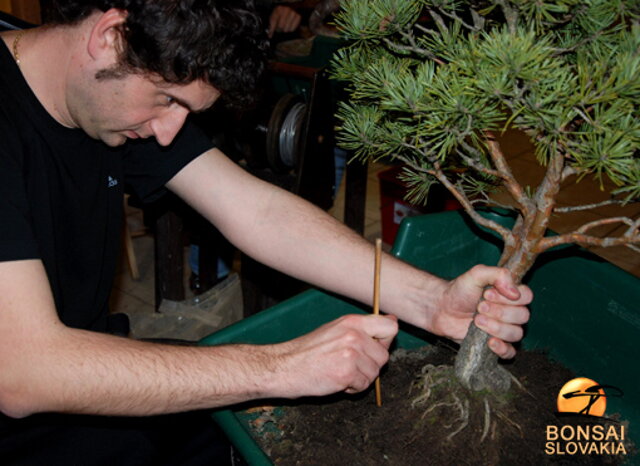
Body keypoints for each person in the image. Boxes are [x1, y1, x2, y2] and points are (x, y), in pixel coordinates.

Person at [0, 0, 532, 463]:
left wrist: (431, 301)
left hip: (79, 379)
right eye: (169, 100)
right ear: (110, 34)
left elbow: (257, 212)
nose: (167, 134)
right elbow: (24, 372)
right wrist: (283, 366)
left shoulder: (115, 90)